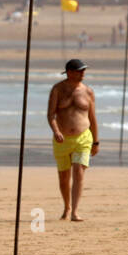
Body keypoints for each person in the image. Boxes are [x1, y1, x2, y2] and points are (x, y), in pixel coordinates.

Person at [47, 58, 98, 222]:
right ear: (69, 72)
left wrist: (96, 141)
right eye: (79, 70)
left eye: (84, 70)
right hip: (62, 139)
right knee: (63, 176)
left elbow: (92, 117)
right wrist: (56, 131)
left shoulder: (88, 92)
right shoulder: (57, 89)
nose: (83, 73)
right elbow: (51, 115)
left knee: (78, 172)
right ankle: (67, 207)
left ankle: (75, 211)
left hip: (83, 138)